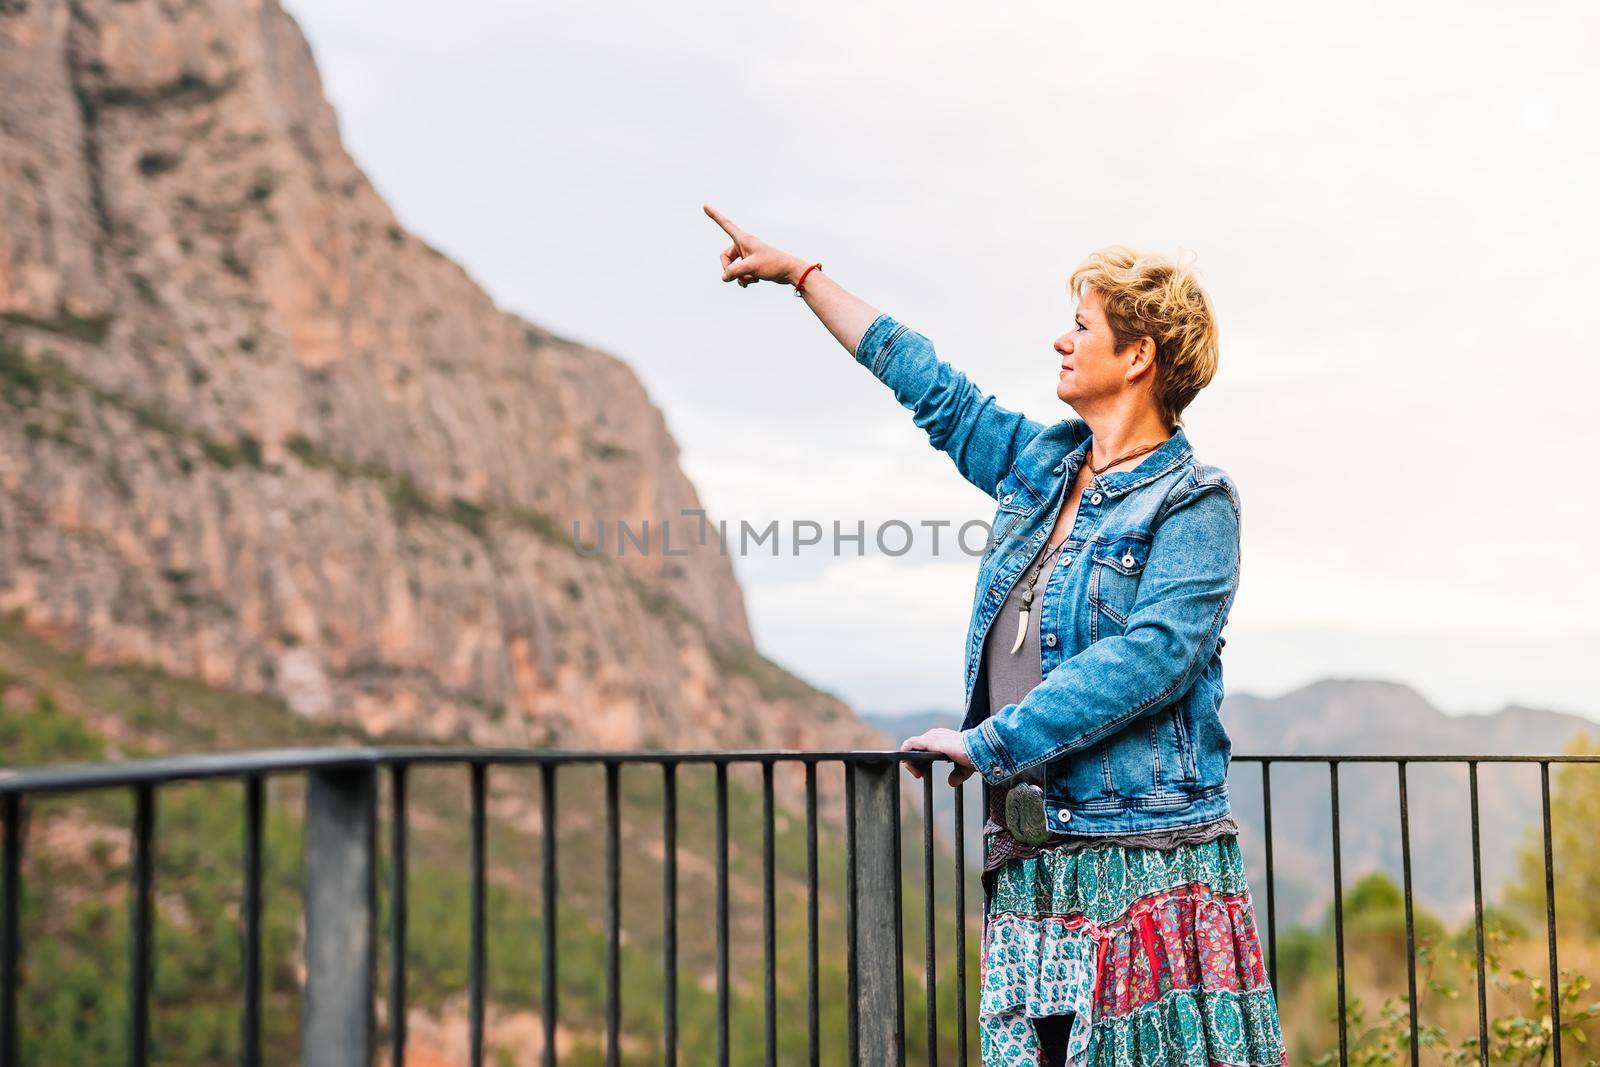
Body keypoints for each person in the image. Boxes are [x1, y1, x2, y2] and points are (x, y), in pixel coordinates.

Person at [705, 204, 1287, 1067]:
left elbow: (1152, 659)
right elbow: (932, 386)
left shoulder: (1195, 502)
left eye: (1081, 325)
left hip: (1143, 866)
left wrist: (993, 739)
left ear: (1137, 356)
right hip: (1035, 854)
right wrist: (803, 278)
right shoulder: (1043, 469)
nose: (1061, 340)